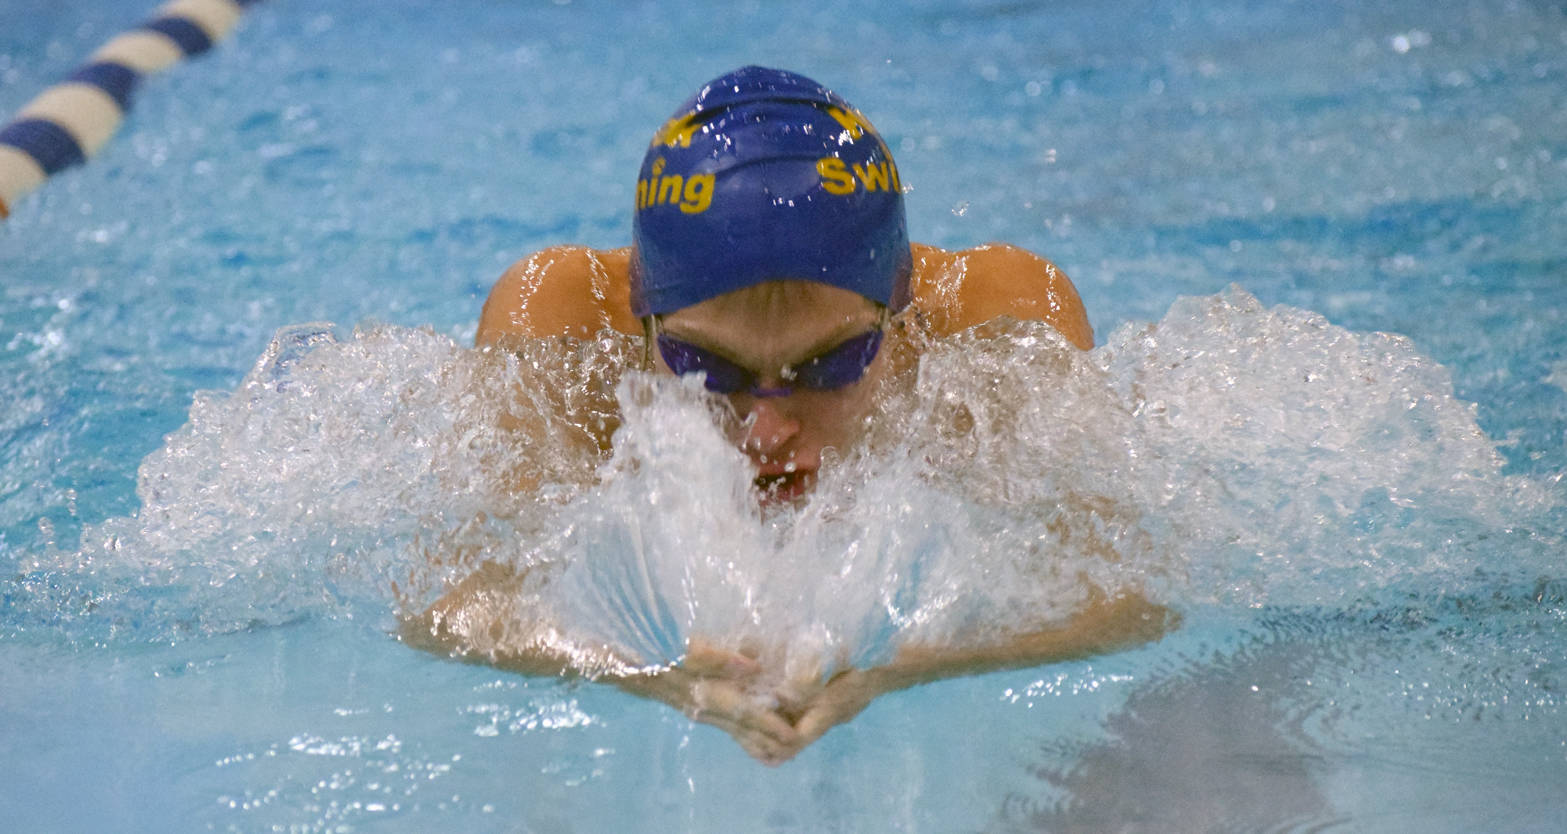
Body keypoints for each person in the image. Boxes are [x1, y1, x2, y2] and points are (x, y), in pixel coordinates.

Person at [403, 66, 1170, 765]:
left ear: (900, 315)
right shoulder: (564, 332)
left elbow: (1133, 597)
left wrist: (904, 664)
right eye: (705, 369)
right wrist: (643, 671)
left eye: (830, 364)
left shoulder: (990, 327)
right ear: (640, 322)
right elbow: (451, 607)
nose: (764, 433)